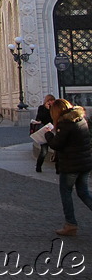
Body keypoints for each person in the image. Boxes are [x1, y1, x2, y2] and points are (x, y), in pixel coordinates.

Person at [44, 99, 92, 236]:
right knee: (83, 193)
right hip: (84, 163)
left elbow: (56, 144)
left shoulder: (65, 124)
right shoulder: (80, 119)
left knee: (66, 193)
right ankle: (70, 224)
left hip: (71, 165)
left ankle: (70, 224)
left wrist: (48, 133)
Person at [35, 94, 55, 172]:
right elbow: (39, 118)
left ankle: (58, 169)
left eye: (52, 100)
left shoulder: (54, 109)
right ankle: (38, 166)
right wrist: (47, 109)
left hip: (53, 130)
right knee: (44, 151)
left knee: (57, 151)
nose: (51, 102)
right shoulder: (41, 108)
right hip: (45, 130)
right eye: (49, 101)